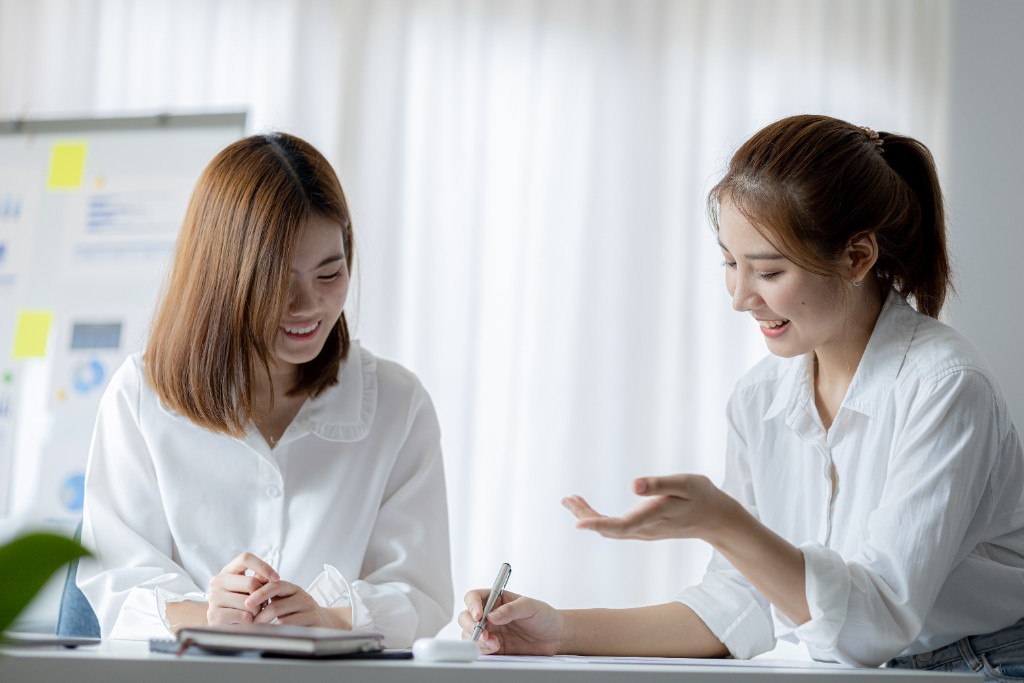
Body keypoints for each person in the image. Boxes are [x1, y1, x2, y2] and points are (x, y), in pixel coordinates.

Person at [459, 114, 1024, 676]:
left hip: (987, 665)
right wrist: (557, 630)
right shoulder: (761, 397)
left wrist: (726, 523)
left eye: (769, 272)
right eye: (730, 263)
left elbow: (871, 626)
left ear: (857, 257)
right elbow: (738, 608)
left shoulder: (945, 386)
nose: (739, 298)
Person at [78, 132, 453, 646]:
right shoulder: (142, 396)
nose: (308, 307)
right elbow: (115, 587)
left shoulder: (397, 403)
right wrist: (211, 613)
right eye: (277, 281)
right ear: (221, 277)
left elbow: (420, 595)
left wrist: (326, 616)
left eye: (330, 273)